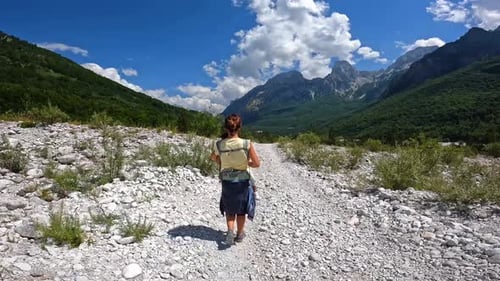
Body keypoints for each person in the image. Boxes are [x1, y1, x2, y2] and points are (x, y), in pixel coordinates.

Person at [211, 113, 260, 245]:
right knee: (241, 210)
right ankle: (239, 234)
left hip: (227, 181)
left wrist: (225, 164)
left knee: (230, 209)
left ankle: (230, 232)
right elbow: (256, 163)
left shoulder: (219, 144)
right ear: (239, 127)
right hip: (242, 181)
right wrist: (246, 163)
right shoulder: (246, 143)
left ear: (225, 128)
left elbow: (213, 158)